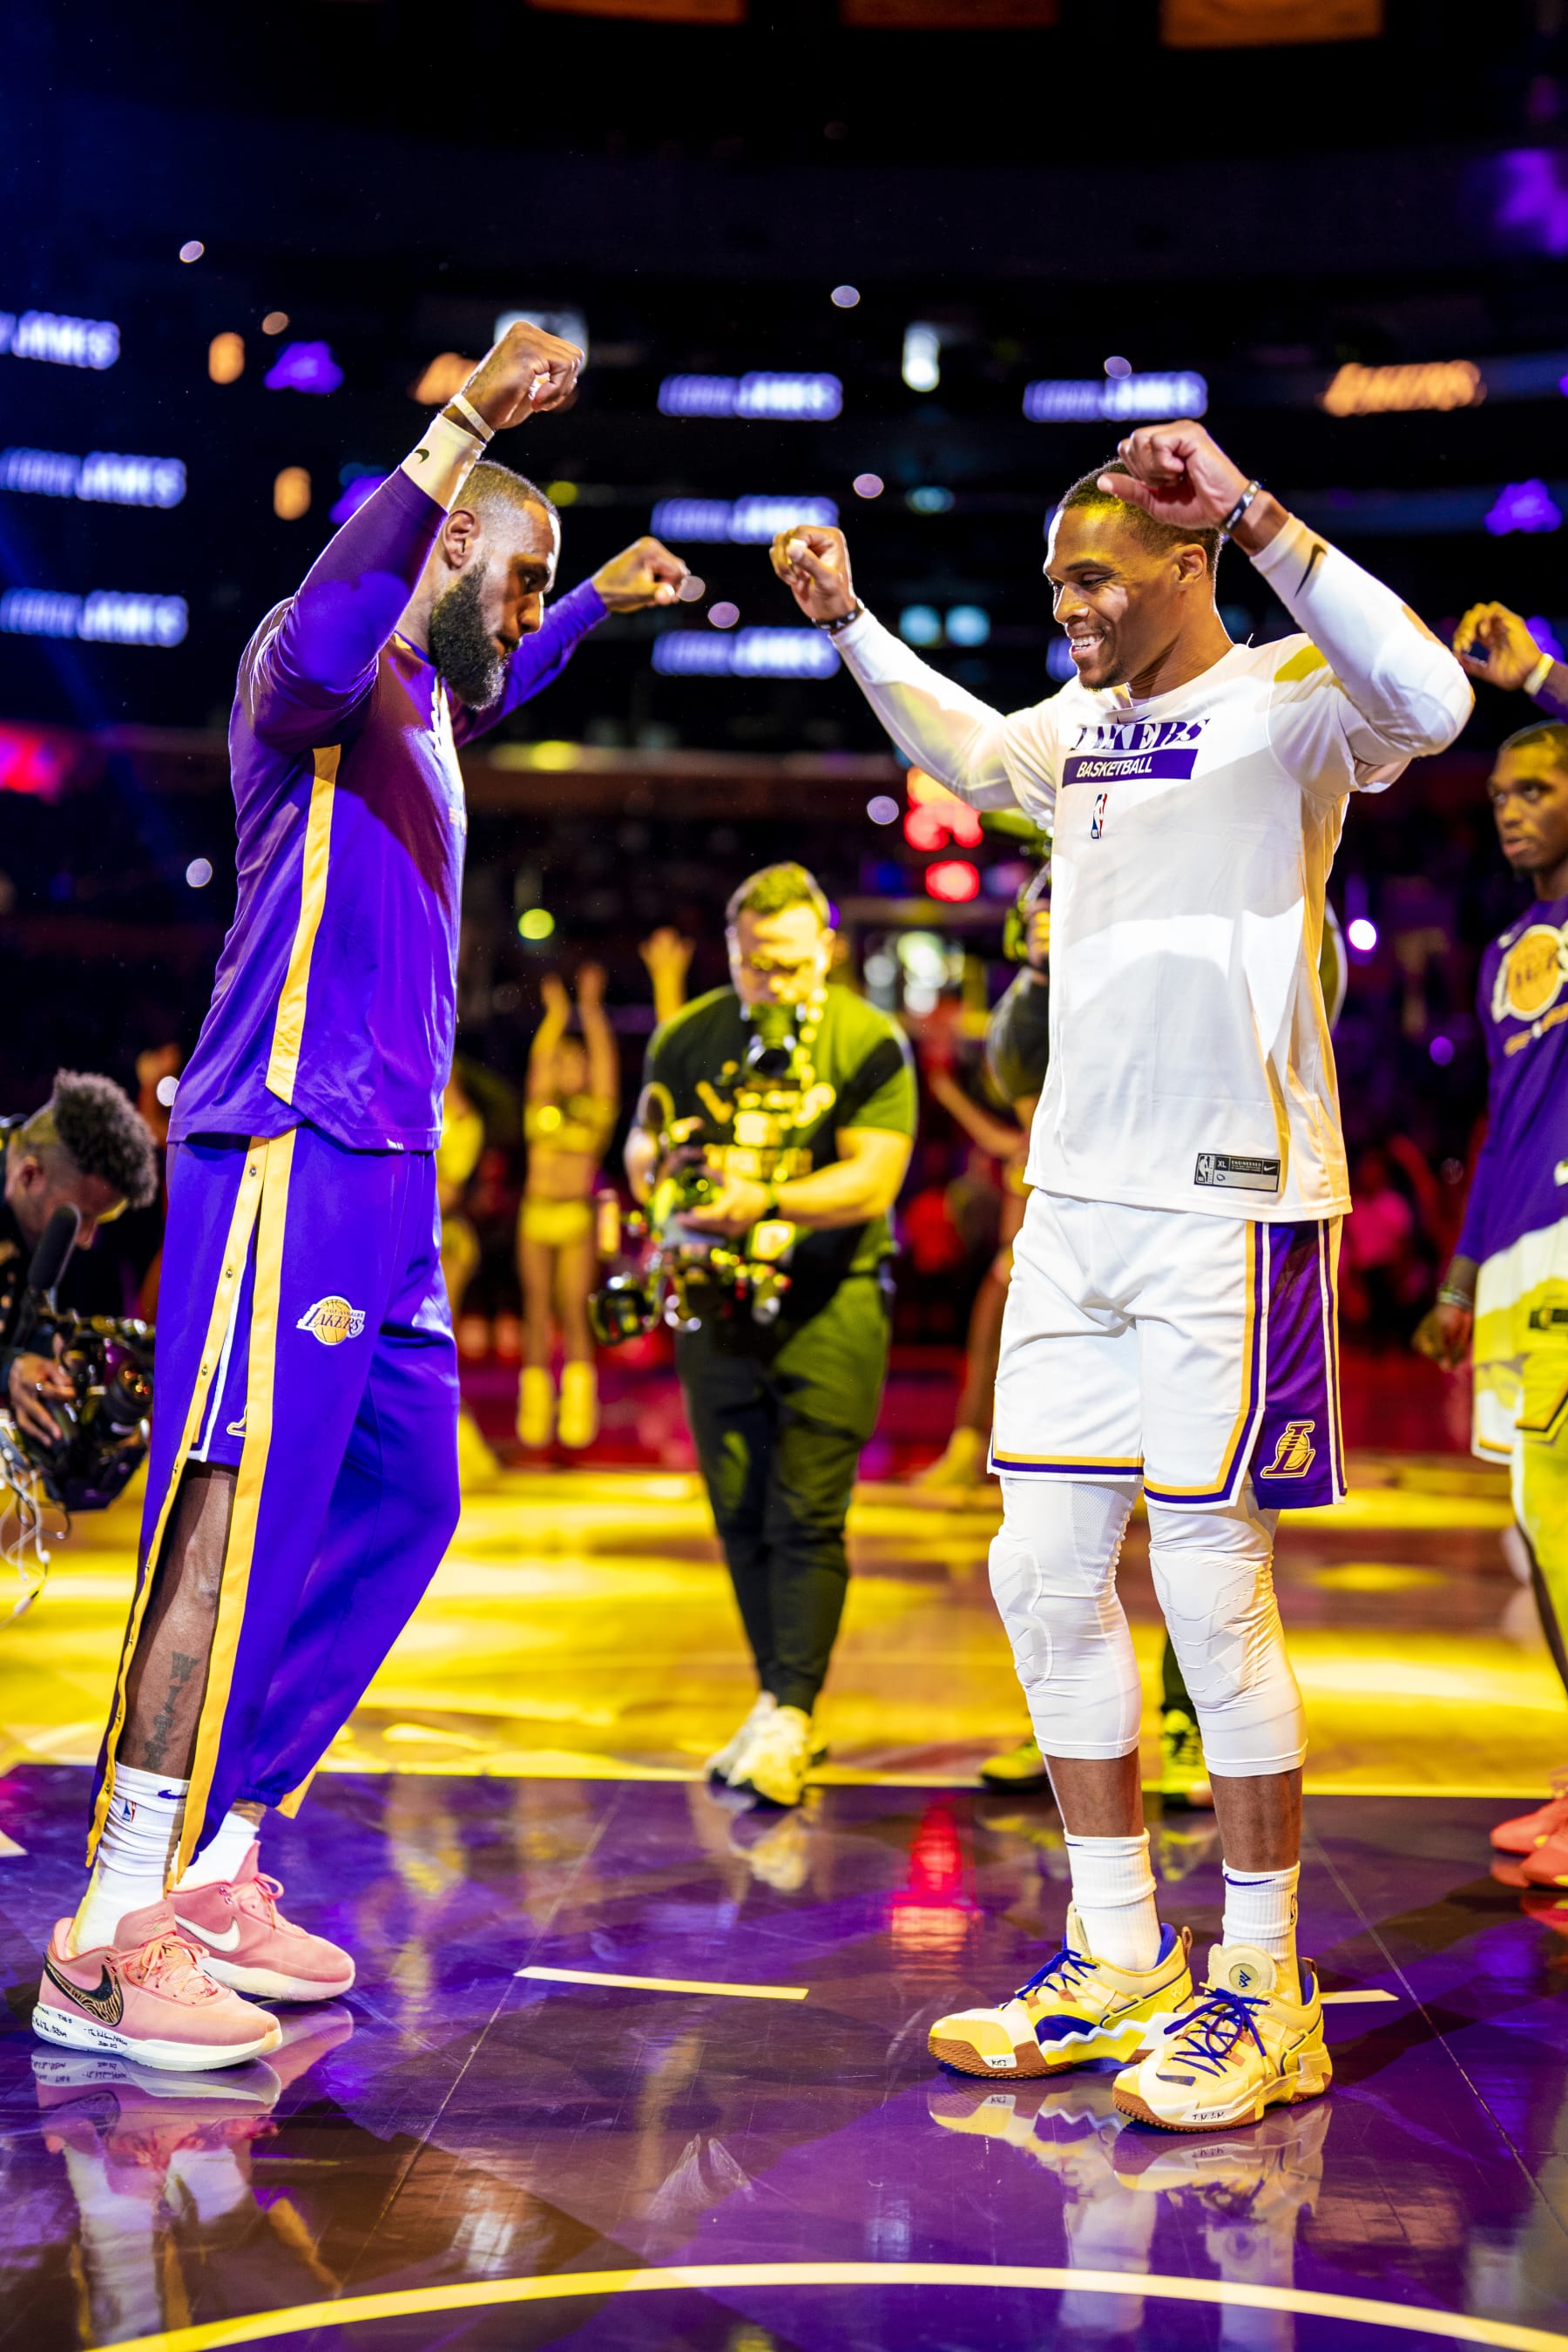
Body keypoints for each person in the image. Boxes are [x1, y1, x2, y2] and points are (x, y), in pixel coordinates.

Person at [773, 417, 1470, 2128]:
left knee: (1213, 1587)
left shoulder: (1296, 697)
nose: (1066, 606)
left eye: (1091, 577)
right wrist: (853, 623)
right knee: (1038, 1570)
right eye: (1054, 582)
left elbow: (1440, 704)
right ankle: (1116, 1957)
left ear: (1182, 565)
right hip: (1076, 1209)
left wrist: (1261, 509)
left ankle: (1263, 1988)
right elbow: (961, 750)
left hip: (1233, 1205)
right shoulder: (1076, 730)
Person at [37, 318, 691, 2072]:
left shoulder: (427, 698)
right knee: (224, 1525)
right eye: (522, 561)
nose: (528, 594)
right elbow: (350, 615)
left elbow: (489, 665)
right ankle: (104, 1930)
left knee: (407, 1506)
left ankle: (228, 1864)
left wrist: (588, 614)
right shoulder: (310, 665)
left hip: (389, 1179)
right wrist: (464, 421)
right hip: (287, 1147)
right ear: (452, 533)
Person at [625, 862, 916, 1808]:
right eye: (757, 967)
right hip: (713, 1301)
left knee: (808, 1510)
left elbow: (874, 1180)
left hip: (831, 1302)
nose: (775, 984)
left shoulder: (869, 1040)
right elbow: (640, 1145)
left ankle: (791, 1706)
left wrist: (766, 1201)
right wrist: (664, 1181)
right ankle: (777, 1698)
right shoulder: (687, 1036)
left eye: (792, 966)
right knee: (739, 1507)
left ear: (827, 951)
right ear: (732, 954)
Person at [1413, 692, 1568, 1893]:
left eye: (1539, 788)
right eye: (1503, 795)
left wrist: (1543, 673)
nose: (1513, 813)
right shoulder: (1506, 953)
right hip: (1511, 1270)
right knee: (1540, 1547)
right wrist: (1462, 1276)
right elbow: (1502, 1122)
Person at [1, 1074, 159, 1450]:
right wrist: (9, 1370)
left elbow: (28, 1332)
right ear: (30, 1174)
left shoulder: (41, 1215)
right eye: (82, 1219)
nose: (85, 1240)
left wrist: (51, 1362)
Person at [516, 963, 618, 1450]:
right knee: (536, 1312)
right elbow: (536, 1062)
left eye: (575, 1063)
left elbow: (606, 1067)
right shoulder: (539, 1106)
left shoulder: (596, 1113)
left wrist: (591, 1013)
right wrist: (556, 1016)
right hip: (536, 1215)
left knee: (573, 1308)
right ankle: (535, 1408)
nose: (565, 1068)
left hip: (576, 1217)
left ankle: (579, 1407)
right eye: (562, 1062)